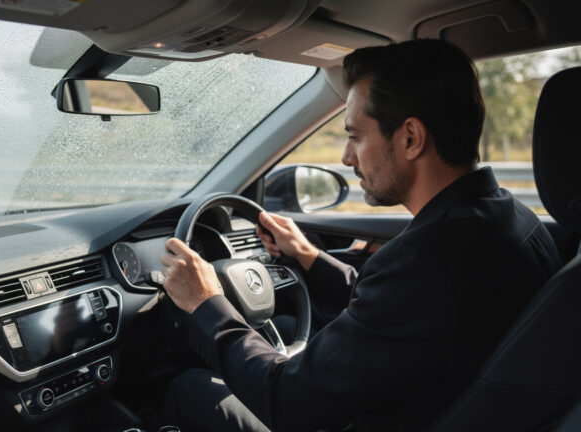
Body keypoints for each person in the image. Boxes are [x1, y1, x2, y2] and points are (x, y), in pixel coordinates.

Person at [159, 39, 562, 432]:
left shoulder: (429, 260)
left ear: (410, 138)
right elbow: (400, 312)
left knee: (188, 390)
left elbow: (285, 402)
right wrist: (309, 257)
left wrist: (207, 303)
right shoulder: (509, 217)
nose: (346, 157)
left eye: (355, 135)